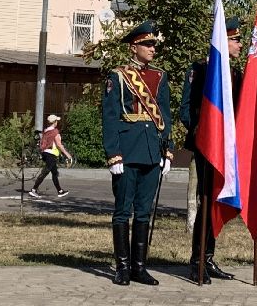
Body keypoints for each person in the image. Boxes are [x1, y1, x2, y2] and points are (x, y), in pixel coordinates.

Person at [102, 20, 172, 287]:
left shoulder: (160, 76)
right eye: (147, 44)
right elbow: (110, 117)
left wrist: (168, 150)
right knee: (123, 211)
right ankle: (121, 267)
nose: (152, 49)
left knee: (143, 211)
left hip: (152, 152)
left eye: (153, 44)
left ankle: (139, 268)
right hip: (127, 152)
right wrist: (113, 154)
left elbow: (164, 116)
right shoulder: (118, 76)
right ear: (134, 47)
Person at [179, 19, 243, 282]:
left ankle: (209, 258)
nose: (239, 44)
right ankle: (197, 262)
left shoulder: (236, 75)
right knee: (206, 200)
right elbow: (187, 108)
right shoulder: (201, 70)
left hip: (227, 149)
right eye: (235, 40)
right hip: (207, 146)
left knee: (218, 200)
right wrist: (200, 132)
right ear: (223, 41)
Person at [30, 113, 73, 198]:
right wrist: (68, 155)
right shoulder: (55, 132)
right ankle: (33, 190)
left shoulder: (46, 131)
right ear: (54, 122)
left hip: (46, 153)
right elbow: (59, 145)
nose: (57, 122)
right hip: (51, 154)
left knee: (54, 173)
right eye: (56, 121)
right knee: (45, 172)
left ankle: (60, 191)